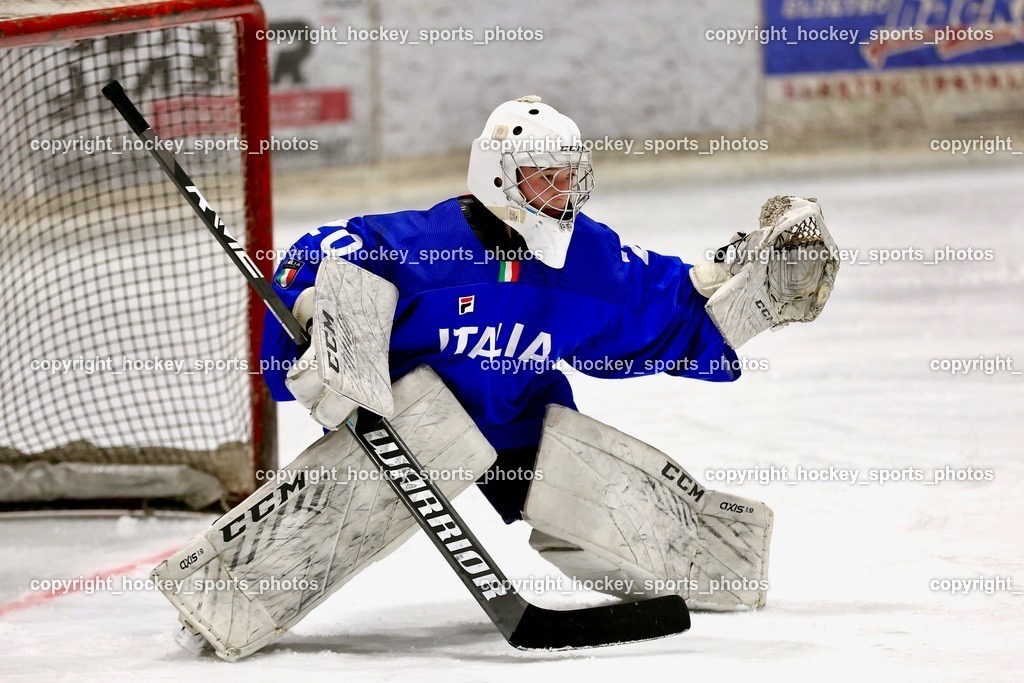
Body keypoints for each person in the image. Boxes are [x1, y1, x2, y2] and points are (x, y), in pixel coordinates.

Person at [261, 95, 741, 524]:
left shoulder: (587, 259)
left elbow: (653, 301)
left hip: (519, 422)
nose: (562, 191)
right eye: (544, 176)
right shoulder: (421, 249)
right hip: (400, 430)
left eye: (568, 176)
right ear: (498, 175)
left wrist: (721, 299)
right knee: (328, 529)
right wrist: (315, 318)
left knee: (606, 522)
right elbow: (317, 255)